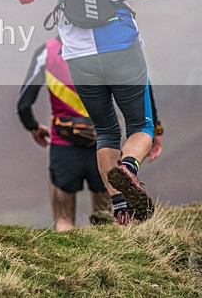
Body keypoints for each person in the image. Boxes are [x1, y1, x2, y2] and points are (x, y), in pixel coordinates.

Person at [0, 0, 158, 225]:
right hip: (121, 47)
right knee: (140, 125)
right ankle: (129, 168)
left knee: (106, 133)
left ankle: (121, 213)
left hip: (79, 55)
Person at [17, 36, 164, 230]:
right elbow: (141, 88)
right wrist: (156, 129)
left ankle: (67, 259)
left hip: (64, 145)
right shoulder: (110, 49)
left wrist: (33, 127)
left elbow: (23, 104)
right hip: (103, 146)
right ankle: (104, 257)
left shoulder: (47, 52)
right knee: (104, 218)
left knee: (63, 219)